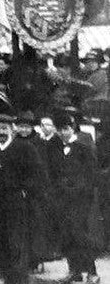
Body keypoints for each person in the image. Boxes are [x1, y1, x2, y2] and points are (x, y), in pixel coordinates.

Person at [0, 112, 48, 284]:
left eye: (4, 128)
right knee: (1, 250)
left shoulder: (25, 148)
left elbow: (38, 176)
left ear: (12, 129)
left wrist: (25, 194)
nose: (1, 132)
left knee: (17, 249)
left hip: (18, 209)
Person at [52, 113, 102, 283]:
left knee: (81, 235)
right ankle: (74, 271)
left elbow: (91, 175)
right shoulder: (55, 148)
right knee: (67, 235)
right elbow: (53, 173)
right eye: (59, 130)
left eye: (65, 129)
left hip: (80, 200)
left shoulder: (83, 148)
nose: (62, 133)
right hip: (62, 200)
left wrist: (77, 189)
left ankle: (92, 272)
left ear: (72, 128)